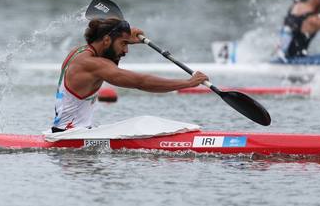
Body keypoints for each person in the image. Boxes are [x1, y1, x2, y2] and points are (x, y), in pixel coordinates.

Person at [52, 18, 209, 132]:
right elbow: (141, 82)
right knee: (147, 122)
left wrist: (124, 37)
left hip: (68, 132)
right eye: (123, 44)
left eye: (127, 44)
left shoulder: (77, 51)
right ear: (106, 40)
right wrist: (187, 83)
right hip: (71, 136)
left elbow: (109, 47)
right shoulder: (94, 65)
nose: (126, 50)